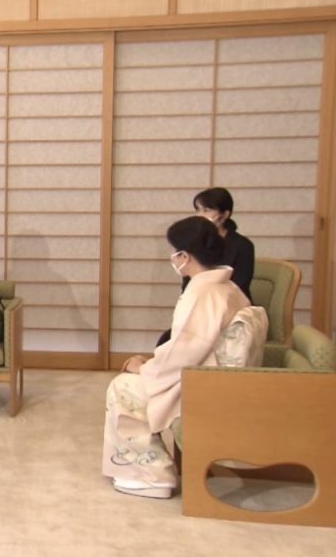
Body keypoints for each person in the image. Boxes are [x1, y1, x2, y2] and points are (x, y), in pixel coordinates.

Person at [102, 216, 250, 499]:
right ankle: (150, 469)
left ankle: (152, 475)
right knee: (133, 379)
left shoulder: (204, 293)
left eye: (174, 252)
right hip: (213, 375)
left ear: (184, 256)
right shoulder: (226, 287)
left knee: (123, 387)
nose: (173, 258)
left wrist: (145, 367)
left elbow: (186, 352)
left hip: (202, 384)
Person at [157, 187, 254, 346]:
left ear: (225, 214)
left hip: (226, 309)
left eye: (206, 210)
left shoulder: (242, 245)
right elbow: (189, 282)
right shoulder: (194, 243)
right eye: (198, 210)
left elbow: (240, 285)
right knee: (167, 340)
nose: (200, 215)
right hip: (200, 304)